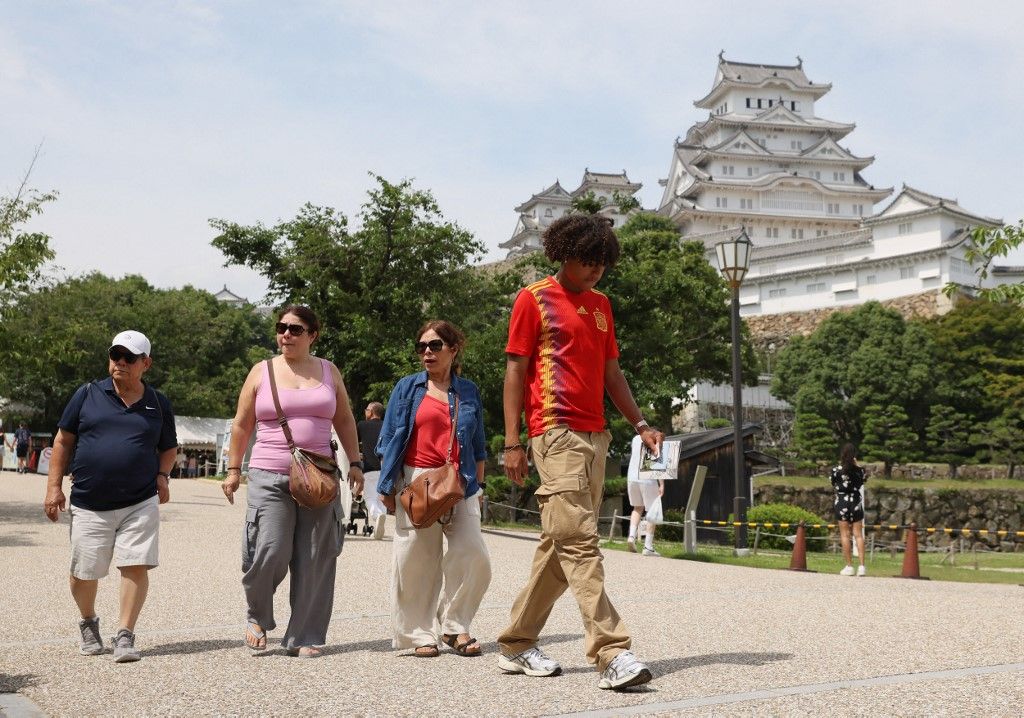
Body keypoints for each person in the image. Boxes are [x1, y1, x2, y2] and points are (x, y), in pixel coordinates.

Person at [497, 214, 664, 691]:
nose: (595, 271)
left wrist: (641, 423)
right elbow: (515, 371)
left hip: (597, 437)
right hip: (554, 432)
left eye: (603, 263)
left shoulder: (602, 305)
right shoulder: (532, 299)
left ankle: (515, 643)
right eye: (588, 261)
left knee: (561, 543)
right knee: (580, 541)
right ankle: (611, 652)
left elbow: (613, 372)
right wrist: (513, 441)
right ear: (563, 253)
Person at [223, 305, 364, 658]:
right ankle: (257, 615)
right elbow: (242, 424)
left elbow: (345, 419)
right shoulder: (261, 371)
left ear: (313, 335)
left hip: (318, 477)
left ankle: (304, 634)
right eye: (281, 327)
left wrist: (357, 463)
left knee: (317, 555)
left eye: (295, 329)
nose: (286, 334)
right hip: (269, 473)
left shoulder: (329, 371)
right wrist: (233, 469)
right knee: (269, 549)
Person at [43, 330, 177, 663]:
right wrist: (53, 487)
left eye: (128, 357)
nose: (119, 362)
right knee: (84, 572)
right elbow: (62, 441)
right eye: (115, 355)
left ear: (145, 363)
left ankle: (125, 635)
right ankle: (88, 621)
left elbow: (169, 447)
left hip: (140, 500)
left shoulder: (158, 402)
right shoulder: (87, 394)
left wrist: (162, 476)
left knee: (135, 565)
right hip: (89, 501)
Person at [376, 320, 491, 658]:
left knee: (474, 555)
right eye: (422, 346)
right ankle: (419, 634)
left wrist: (479, 486)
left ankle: (455, 625)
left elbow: (479, 444)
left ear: (454, 350)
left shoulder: (468, 390)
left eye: (435, 345)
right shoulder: (407, 388)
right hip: (416, 479)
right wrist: (387, 486)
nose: (427, 352)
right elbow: (388, 439)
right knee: (415, 559)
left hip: (461, 480)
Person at [831, 443, 867, 577]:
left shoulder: (836, 470)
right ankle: (862, 566)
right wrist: (857, 465)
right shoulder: (859, 470)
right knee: (858, 534)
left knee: (845, 535)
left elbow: (834, 483)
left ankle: (849, 566)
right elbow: (863, 479)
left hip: (842, 502)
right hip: (856, 502)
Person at [625, 434, 665, 557]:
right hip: (647, 478)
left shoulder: (635, 438)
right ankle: (648, 546)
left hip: (632, 478)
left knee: (637, 508)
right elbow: (658, 461)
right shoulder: (656, 438)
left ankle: (631, 536)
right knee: (652, 511)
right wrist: (662, 484)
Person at [358, 401, 387, 539]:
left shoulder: (362, 425)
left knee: (369, 497)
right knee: (381, 498)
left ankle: (377, 516)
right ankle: (378, 527)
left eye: (366, 409)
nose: (365, 412)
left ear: (371, 412)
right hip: (385, 468)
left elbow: (355, 442)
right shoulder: (387, 426)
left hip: (369, 468)